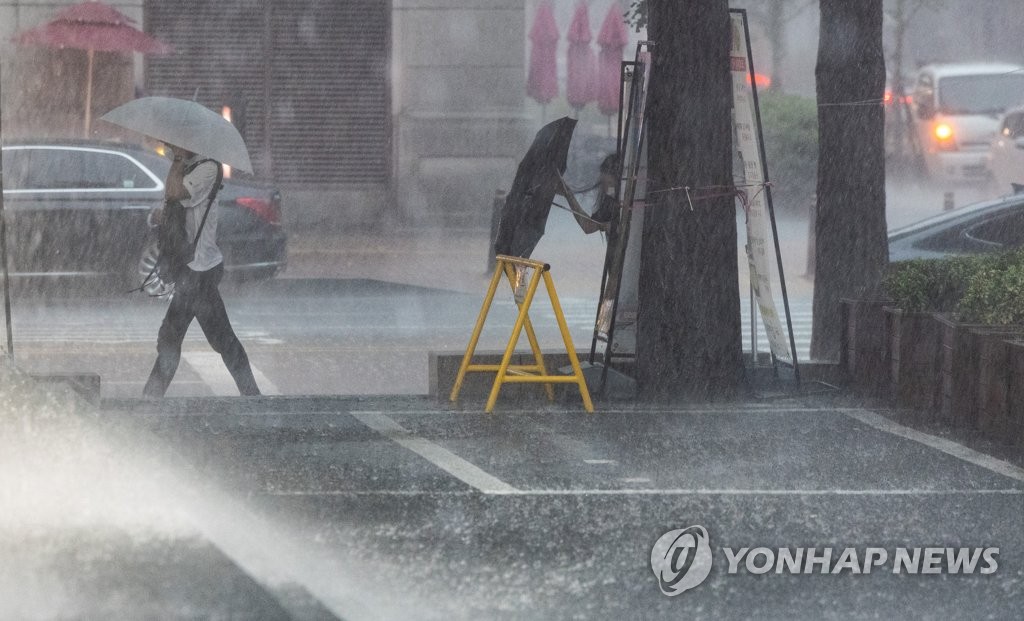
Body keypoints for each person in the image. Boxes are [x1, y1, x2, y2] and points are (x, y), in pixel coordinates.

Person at [142, 145, 261, 398]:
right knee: (205, 339)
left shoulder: (208, 167)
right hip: (191, 270)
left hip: (200, 270)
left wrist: (176, 159)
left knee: (183, 339)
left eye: (176, 142)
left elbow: (175, 191)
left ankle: (150, 399)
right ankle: (252, 395)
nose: (170, 145)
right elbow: (175, 202)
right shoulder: (189, 165)